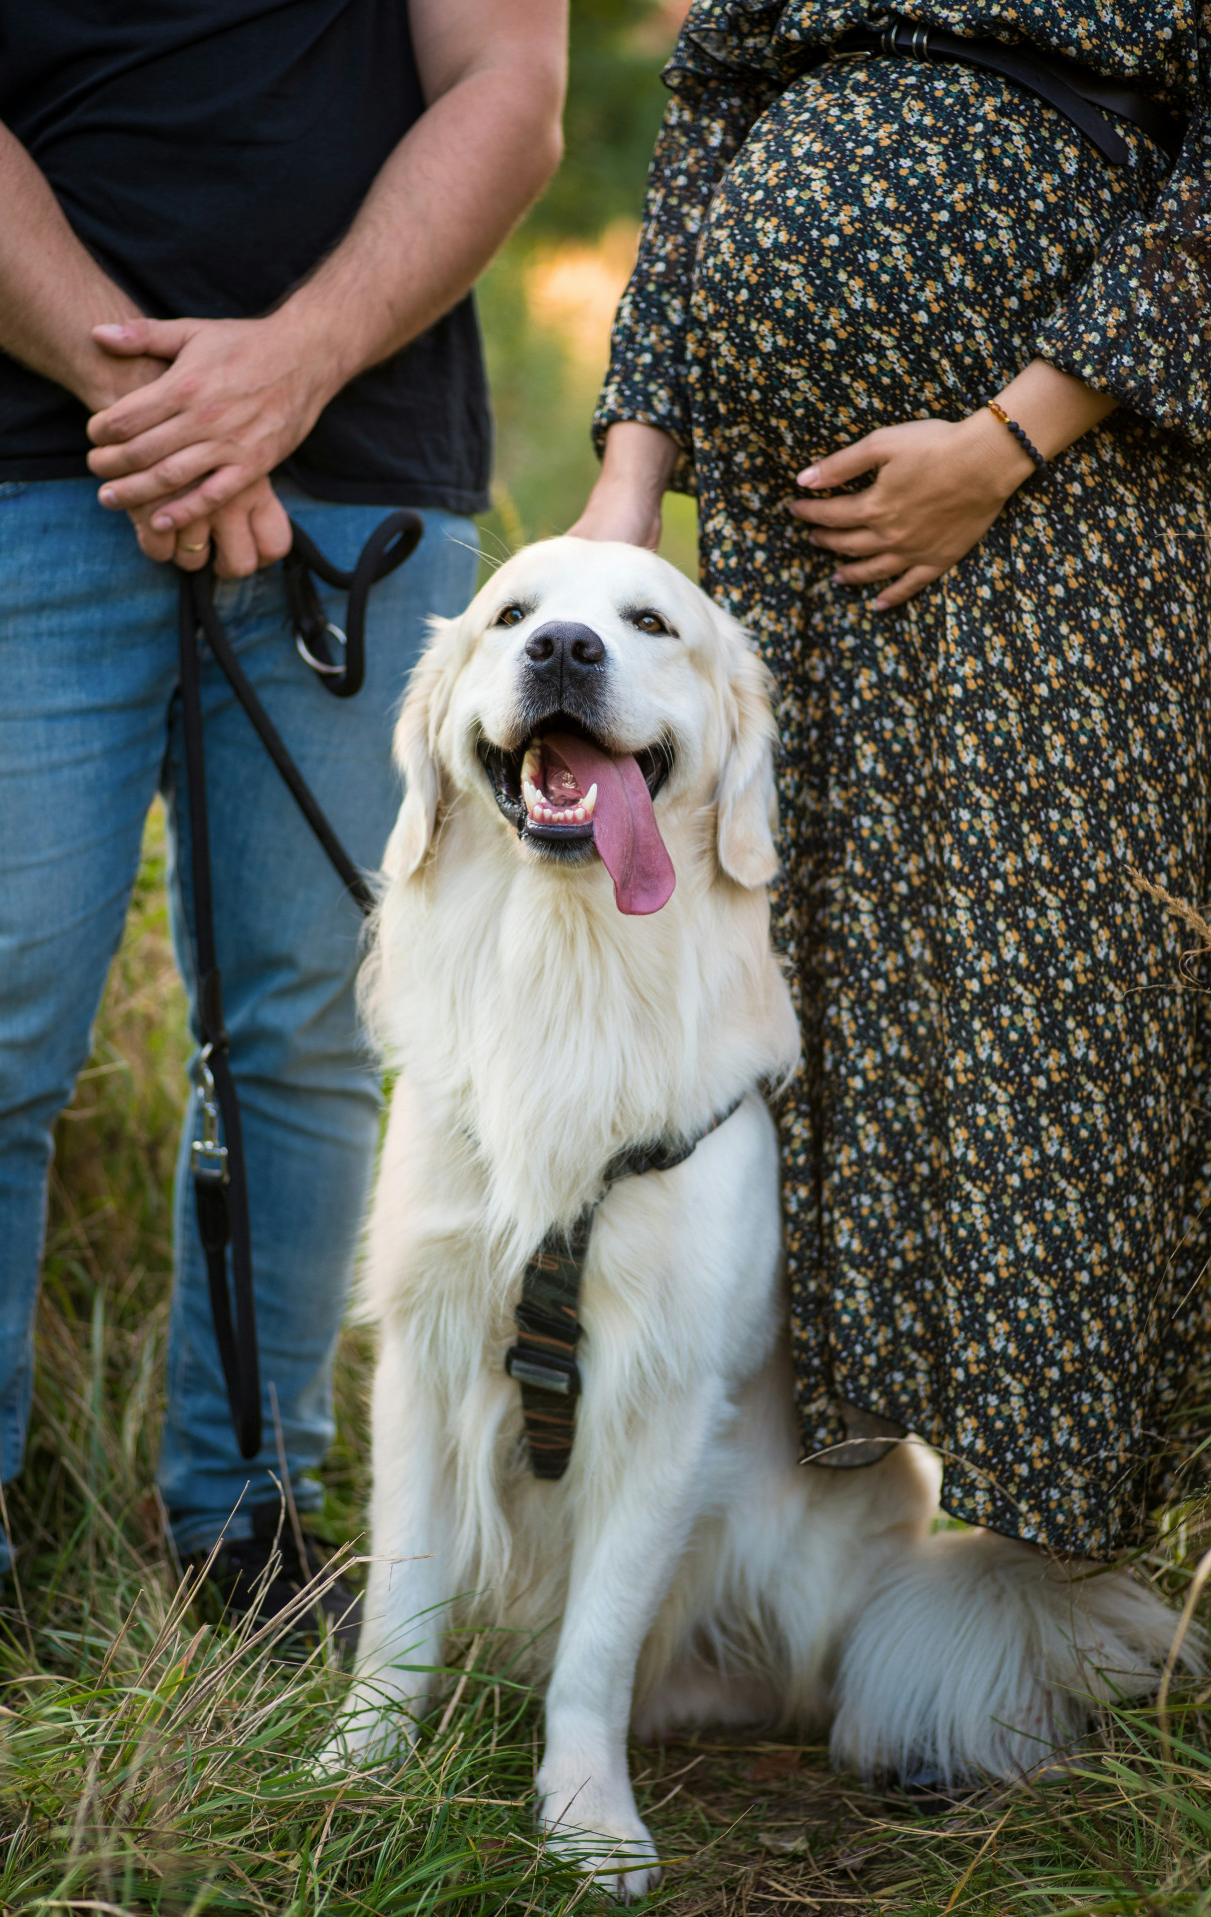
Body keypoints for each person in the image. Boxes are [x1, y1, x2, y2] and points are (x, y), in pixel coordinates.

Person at [0, 0, 566, 1636]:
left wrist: (286, 369)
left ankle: (252, 1537)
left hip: (356, 457)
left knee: (306, 1035)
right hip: (10, 452)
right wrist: (162, 401)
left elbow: (508, 90)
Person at [575, 1, 1211, 1583]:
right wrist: (631, 479)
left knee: (1062, 996)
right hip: (797, 534)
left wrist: (1008, 438)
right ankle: (815, 1556)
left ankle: (1052, 1582)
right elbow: (710, 110)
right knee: (832, 995)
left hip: (1081, 483)